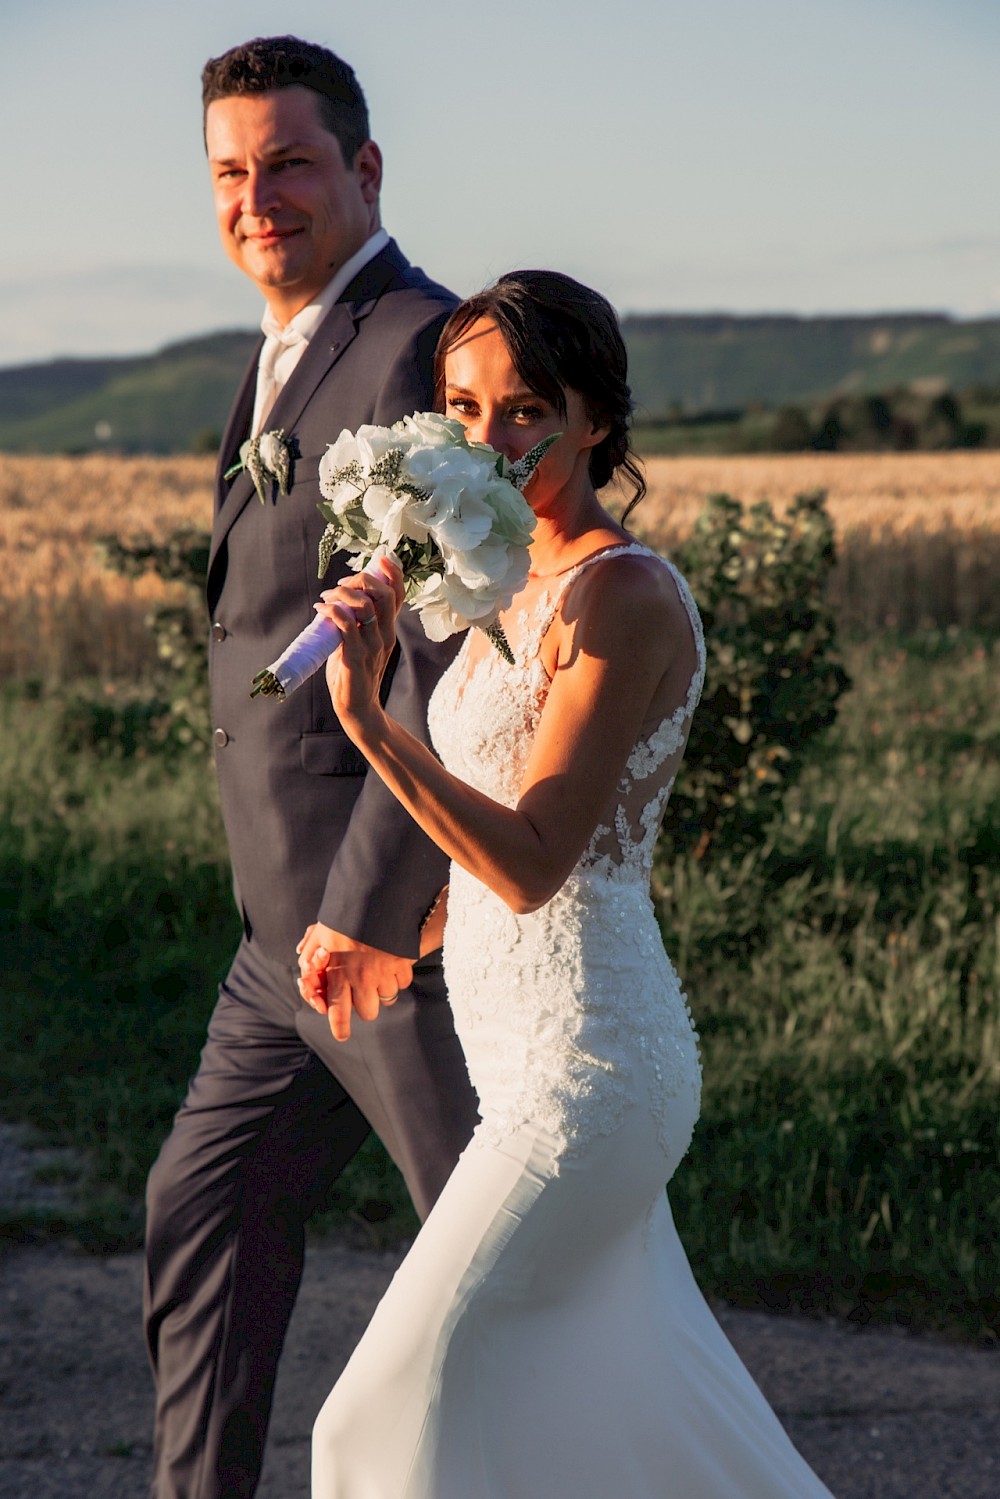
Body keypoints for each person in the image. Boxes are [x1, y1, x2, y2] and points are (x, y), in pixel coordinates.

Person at [306, 270, 835, 1496]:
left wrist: (372, 720)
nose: (489, 439)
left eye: (527, 406)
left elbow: (544, 862)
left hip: (589, 1077)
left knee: (375, 1415)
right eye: (462, 406)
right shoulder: (504, 590)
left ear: (596, 417)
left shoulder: (625, 593)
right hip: (521, 1059)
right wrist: (408, 935)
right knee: (620, 1434)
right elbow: (528, 853)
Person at [143, 36, 479, 1499]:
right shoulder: (282, 350)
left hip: (385, 929)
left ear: (364, 168)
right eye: (229, 171)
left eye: (286, 161)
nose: (255, 197)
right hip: (277, 936)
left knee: (489, 1257)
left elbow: (443, 652)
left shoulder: (418, 342)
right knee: (199, 1208)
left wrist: (373, 908)